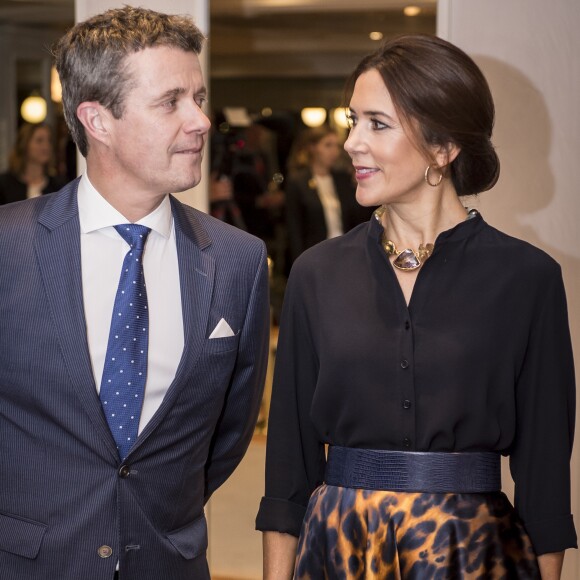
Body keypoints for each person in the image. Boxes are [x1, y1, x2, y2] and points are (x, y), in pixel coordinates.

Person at [256, 34, 576, 579]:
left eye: (377, 123)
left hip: (473, 553)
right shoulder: (317, 274)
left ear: (443, 146)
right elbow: (289, 468)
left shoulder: (527, 279)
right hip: (339, 550)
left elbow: (545, 476)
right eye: (352, 120)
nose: (353, 141)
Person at [0, 7, 270, 580]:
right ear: (97, 120)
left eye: (198, 97)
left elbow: (225, 435)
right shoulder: (7, 246)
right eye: (171, 101)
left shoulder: (239, 260)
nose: (200, 121)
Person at [285, 126, 373, 264]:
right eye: (328, 145)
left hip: (345, 253)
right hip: (316, 255)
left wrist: (363, 188)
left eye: (337, 146)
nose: (334, 151)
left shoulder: (342, 179)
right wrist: (299, 263)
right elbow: (294, 229)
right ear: (313, 148)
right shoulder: (298, 182)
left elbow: (360, 218)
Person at [0, 122, 65, 205]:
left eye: (49, 141)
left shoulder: (58, 186)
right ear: (24, 144)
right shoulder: (4, 185)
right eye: (39, 140)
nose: (46, 146)